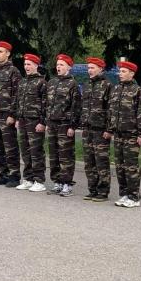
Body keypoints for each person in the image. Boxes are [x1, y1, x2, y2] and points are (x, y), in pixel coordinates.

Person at [107, 60, 141, 208]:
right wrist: (111, 129)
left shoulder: (137, 90)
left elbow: (140, 113)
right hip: (118, 134)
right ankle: (124, 194)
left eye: (124, 71)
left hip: (131, 134)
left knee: (131, 166)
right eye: (120, 71)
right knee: (120, 166)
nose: (120, 74)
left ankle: (134, 196)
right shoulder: (116, 89)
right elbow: (112, 112)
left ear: (132, 73)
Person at [45, 54, 82, 197]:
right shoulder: (52, 83)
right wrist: (48, 121)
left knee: (65, 155)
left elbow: (76, 106)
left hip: (65, 124)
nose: (58, 67)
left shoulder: (72, 84)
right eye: (58, 64)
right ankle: (57, 182)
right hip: (53, 124)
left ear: (69, 67)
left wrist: (72, 126)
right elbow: (48, 105)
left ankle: (67, 184)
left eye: (61, 65)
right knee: (54, 155)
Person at [0, 40, 21, 187]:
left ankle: (14, 176)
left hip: (7, 114)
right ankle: (2, 174)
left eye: (1, 52)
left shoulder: (14, 71)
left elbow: (17, 95)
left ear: (8, 54)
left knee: (10, 145)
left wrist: (13, 114)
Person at [81, 57, 113, 202]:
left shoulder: (107, 85)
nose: (90, 70)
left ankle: (103, 191)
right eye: (88, 68)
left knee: (101, 161)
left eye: (92, 68)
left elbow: (111, 109)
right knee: (89, 162)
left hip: (101, 130)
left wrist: (109, 129)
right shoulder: (87, 84)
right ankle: (92, 189)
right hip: (87, 129)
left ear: (101, 69)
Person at [15, 53, 47, 192]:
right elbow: (18, 102)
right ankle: (28, 179)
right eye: (25, 64)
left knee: (36, 151)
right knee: (25, 151)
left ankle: (39, 180)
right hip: (22, 120)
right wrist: (17, 118)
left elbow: (46, 104)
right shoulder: (22, 82)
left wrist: (42, 122)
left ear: (36, 65)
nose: (26, 67)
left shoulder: (41, 82)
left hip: (35, 122)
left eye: (29, 64)